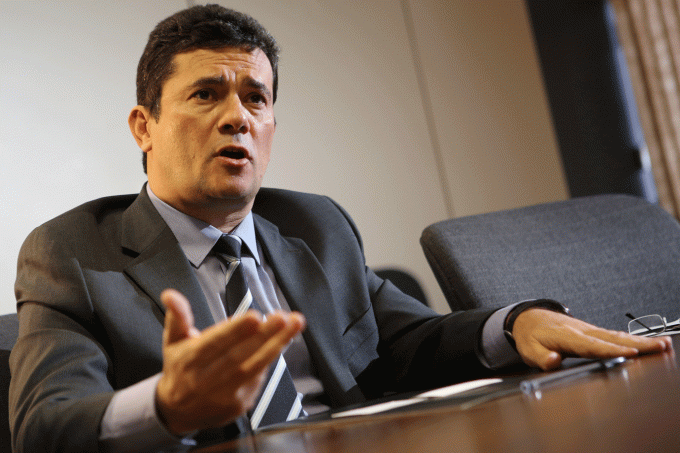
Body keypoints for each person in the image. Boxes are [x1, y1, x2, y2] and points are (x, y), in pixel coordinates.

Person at [9, 4, 671, 453]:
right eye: (206, 94)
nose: (238, 117)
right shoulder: (73, 253)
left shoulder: (314, 223)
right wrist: (167, 405)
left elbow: (405, 342)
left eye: (256, 98)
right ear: (144, 127)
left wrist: (513, 325)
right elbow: (42, 425)